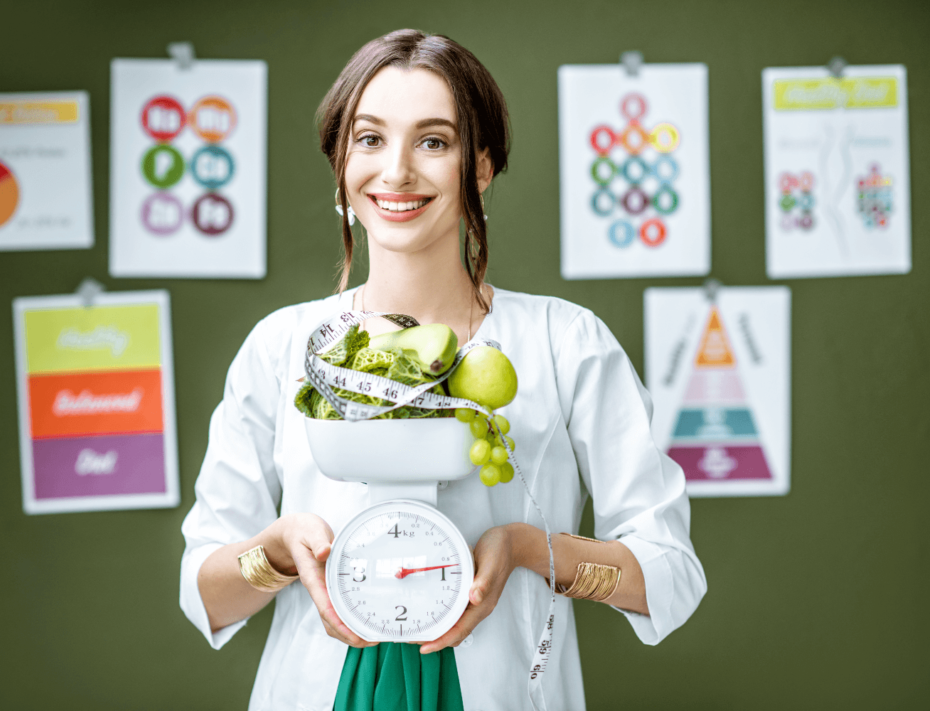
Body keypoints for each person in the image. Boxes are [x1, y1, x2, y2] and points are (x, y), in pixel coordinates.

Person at [180, 29, 706, 711]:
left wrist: (528, 549)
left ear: (481, 167)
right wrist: (279, 551)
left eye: (433, 141)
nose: (395, 171)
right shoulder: (282, 346)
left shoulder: (566, 342)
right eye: (369, 139)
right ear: (340, 162)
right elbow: (205, 593)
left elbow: (671, 575)